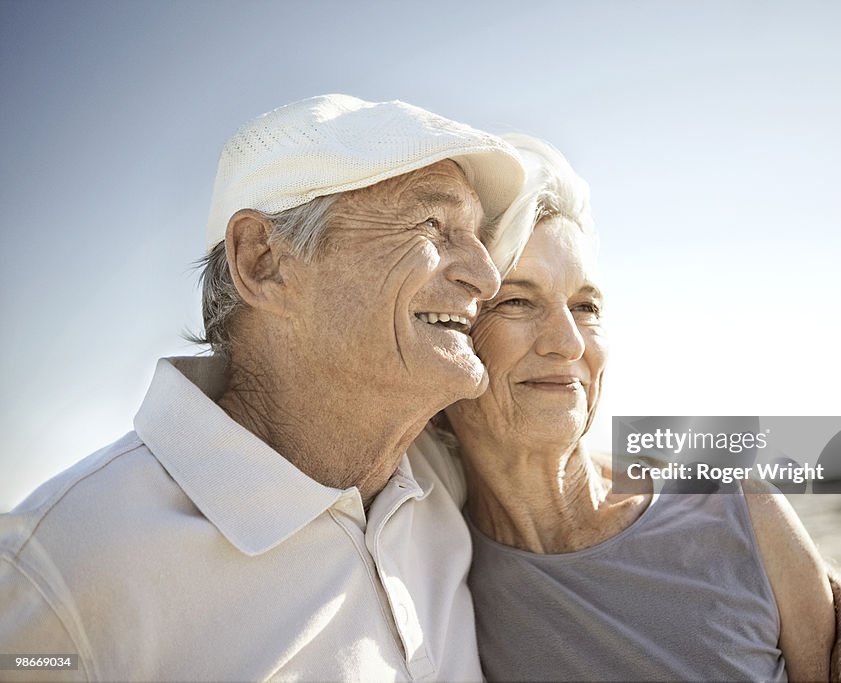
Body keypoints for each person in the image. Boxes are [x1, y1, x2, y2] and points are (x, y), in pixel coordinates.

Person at [0, 94, 524, 681]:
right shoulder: (55, 571)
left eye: (478, 236)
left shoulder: (446, 480)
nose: (486, 276)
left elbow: (619, 478)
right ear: (264, 260)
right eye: (433, 225)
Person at [441, 134, 841, 682]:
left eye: (586, 306)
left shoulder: (742, 510)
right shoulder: (429, 559)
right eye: (518, 301)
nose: (568, 342)